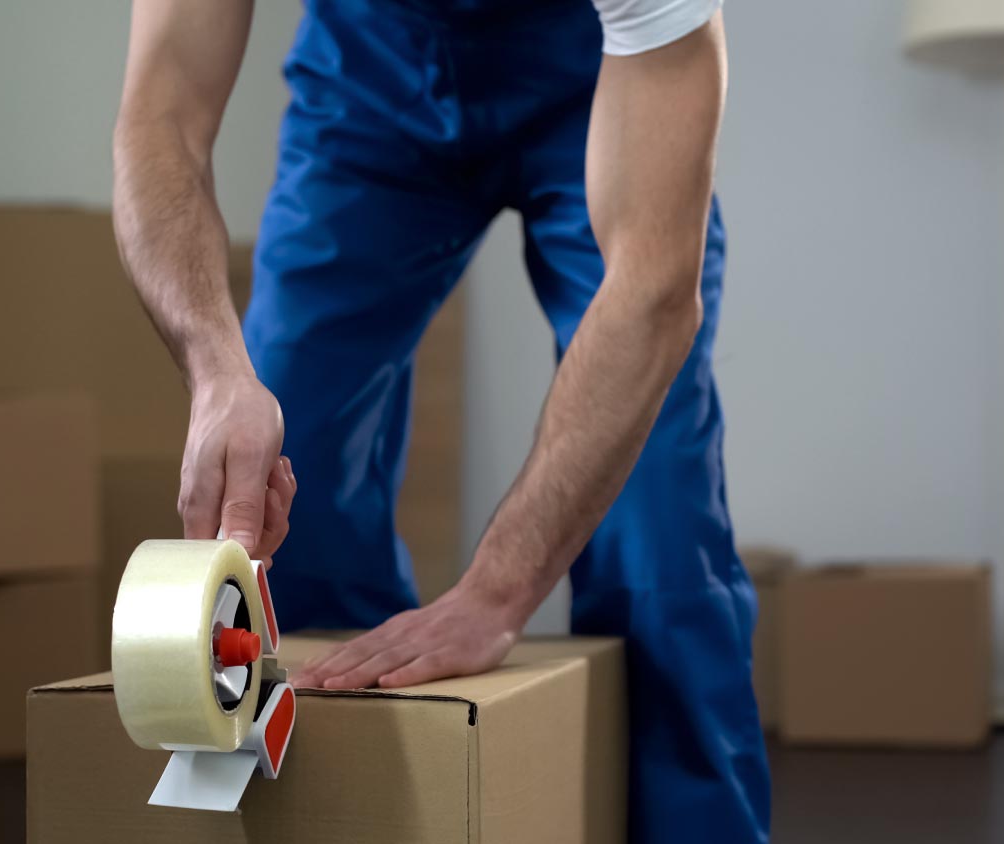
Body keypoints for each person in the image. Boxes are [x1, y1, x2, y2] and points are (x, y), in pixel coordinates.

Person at [112, 1, 768, 840]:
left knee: (656, 518)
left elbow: (653, 293)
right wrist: (214, 370)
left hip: (596, 78)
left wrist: (498, 591)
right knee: (283, 489)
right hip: (368, 81)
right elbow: (161, 115)